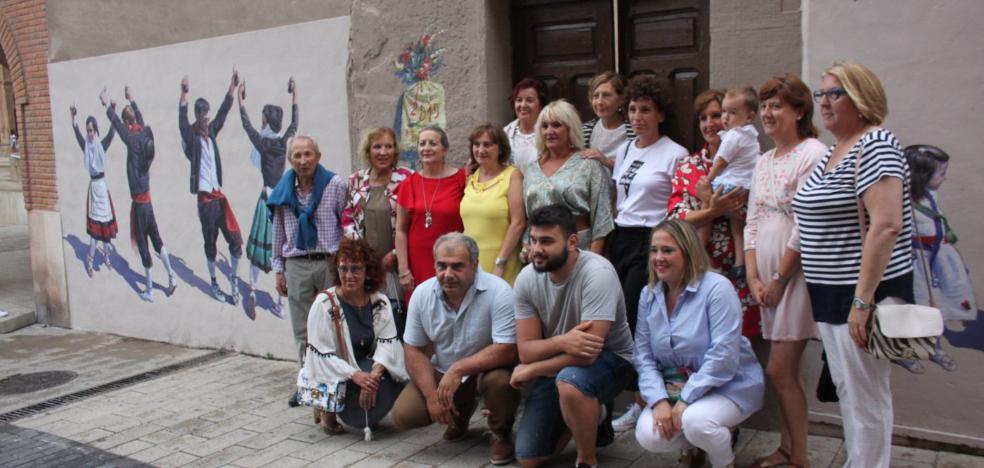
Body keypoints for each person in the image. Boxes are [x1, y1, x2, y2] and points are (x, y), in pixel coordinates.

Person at [791, 60, 913, 468]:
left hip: (860, 295)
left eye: (834, 93)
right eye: (821, 93)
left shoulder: (875, 144)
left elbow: (887, 224)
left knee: (867, 397)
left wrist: (862, 302)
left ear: (861, 100)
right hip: (831, 294)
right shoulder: (834, 150)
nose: (823, 102)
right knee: (849, 391)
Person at [509, 204, 634, 468]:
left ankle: (586, 459)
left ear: (572, 241)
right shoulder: (526, 279)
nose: (536, 249)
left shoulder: (597, 274)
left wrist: (533, 370)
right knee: (530, 458)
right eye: (533, 240)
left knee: (571, 383)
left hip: (611, 360)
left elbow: (588, 355)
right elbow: (525, 351)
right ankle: (592, 414)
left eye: (547, 241)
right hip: (563, 362)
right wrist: (562, 341)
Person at [742, 74, 826, 468]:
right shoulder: (763, 159)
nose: (768, 113)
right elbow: (753, 221)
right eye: (764, 106)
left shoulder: (813, 153)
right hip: (767, 281)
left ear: (799, 111)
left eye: (777, 105)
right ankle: (788, 448)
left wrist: (778, 279)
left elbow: (806, 224)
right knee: (785, 372)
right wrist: (754, 276)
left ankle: (800, 458)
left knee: (779, 370)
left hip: (796, 278)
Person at [634, 219, 764, 468]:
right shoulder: (648, 294)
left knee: (696, 422)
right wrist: (660, 401)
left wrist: (684, 400)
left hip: (728, 385)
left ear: (688, 251)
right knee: (648, 435)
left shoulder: (717, 289)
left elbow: (723, 355)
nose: (658, 257)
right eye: (654, 250)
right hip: (675, 386)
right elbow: (643, 355)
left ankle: (724, 462)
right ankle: (693, 448)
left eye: (667, 250)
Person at [392, 233, 520, 465]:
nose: (448, 274)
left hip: (485, 372)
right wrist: (432, 397)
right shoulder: (422, 294)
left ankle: (501, 434)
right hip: (443, 373)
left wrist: (459, 369)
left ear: (475, 265)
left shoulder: (499, 292)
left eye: (457, 266)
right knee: (404, 415)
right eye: (441, 266)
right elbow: (412, 349)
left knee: (500, 381)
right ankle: (459, 412)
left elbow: (507, 349)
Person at [608, 75, 689, 432]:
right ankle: (629, 398)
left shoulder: (675, 153)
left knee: (638, 318)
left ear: (660, 114)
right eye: (632, 109)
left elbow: (678, 206)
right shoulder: (625, 150)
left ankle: (642, 401)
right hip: (621, 236)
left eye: (645, 110)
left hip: (651, 239)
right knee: (615, 318)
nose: (637, 116)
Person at [667, 90, 760, 339]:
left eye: (716, 115)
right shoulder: (689, 166)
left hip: (740, 271)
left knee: (738, 348)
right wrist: (713, 211)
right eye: (702, 118)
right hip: (701, 271)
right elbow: (676, 217)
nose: (709, 124)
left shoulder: (754, 161)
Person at [297, 238, 407, 434]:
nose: (349, 275)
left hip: (365, 363)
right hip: (337, 370)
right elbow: (320, 355)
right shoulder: (324, 303)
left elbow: (388, 343)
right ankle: (327, 409)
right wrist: (355, 376)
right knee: (359, 413)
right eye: (343, 268)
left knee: (398, 372)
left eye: (356, 269)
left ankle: (366, 411)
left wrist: (372, 377)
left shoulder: (379, 302)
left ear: (367, 271)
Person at [269, 135, 348, 406]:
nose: (303, 161)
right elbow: (277, 230)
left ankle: (338, 382)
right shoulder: (282, 189)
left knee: (333, 325)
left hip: (329, 261)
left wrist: (345, 264)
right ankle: (307, 383)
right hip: (297, 264)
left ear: (318, 156)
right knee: (302, 329)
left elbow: (345, 223)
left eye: (308, 155)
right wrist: (279, 269)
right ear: (290, 160)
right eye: (297, 156)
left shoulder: (334, 185)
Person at [104, 86, 178, 302]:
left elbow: (117, 125)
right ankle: (172, 278)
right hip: (148, 199)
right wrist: (132, 100)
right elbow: (139, 119)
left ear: (128, 123)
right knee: (157, 240)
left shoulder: (131, 138)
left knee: (145, 244)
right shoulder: (144, 131)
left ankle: (149, 290)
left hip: (139, 202)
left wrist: (108, 105)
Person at [906, 144, 974, 371]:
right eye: (941, 173)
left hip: (939, 263)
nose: (944, 178)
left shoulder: (930, 196)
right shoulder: (903, 202)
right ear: (922, 174)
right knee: (915, 308)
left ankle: (933, 347)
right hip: (917, 263)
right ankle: (904, 351)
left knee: (937, 307)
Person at [341, 127, 413, 336]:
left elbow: (412, 223)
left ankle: (398, 363)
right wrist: (364, 255)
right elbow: (347, 219)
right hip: (366, 265)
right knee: (370, 318)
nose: (383, 152)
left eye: (388, 146)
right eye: (377, 147)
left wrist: (395, 255)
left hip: (397, 264)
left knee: (397, 315)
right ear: (368, 151)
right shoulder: (356, 180)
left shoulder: (407, 178)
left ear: (395, 151)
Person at [179, 71, 243, 303]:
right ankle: (215, 283)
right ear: (198, 117)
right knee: (211, 244)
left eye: (208, 118)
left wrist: (232, 87)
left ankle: (234, 281)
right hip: (205, 201)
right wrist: (184, 93)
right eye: (204, 118)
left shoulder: (211, 132)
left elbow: (223, 113)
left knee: (236, 243)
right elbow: (181, 121)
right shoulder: (192, 136)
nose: (207, 121)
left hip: (219, 198)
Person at [238, 77, 298, 319]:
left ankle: (252, 289)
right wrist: (295, 93)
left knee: (256, 247)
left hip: (265, 200)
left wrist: (240, 100)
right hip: (281, 202)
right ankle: (280, 305)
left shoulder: (262, 143)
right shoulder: (284, 143)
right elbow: (295, 122)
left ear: (267, 121)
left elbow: (246, 125)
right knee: (281, 253)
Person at [522, 100, 613, 255]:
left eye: (556, 125)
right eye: (544, 126)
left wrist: (593, 259)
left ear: (570, 128)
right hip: (540, 253)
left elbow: (602, 217)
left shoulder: (588, 164)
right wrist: (527, 248)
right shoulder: (531, 170)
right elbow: (528, 218)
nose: (549, 131)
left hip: (579, 249)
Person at [395, 126, 465, 299]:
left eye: (433, 143)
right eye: (422, 143)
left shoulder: (462, 179)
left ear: (445, 150)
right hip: (418, 263)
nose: (426, 148)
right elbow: (401, 230)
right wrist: (403, 269)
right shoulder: (408, 184)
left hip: (452, 260)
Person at [701, 86, 760, 276]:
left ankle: (699, 250)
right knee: (737, 226)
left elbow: (720, 162)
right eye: (724, 111)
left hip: (730, 184)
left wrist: (708, 180)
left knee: (707, 208)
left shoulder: (734, 136)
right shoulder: (751, 136)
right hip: (745, 186)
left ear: (749, 117)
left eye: (732, 113)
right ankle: (740, 263)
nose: (726, 117)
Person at [461, 123, 525, 285]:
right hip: (471, 264)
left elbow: (518, 223)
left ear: (500, 148)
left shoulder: (513, 176)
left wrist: (500, 263)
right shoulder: (471, 177)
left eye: (487, 145)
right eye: (477, 144)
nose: (480, 150)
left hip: (502, 263)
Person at [71, 99, 118, 278]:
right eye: (88, 131)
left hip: (102, 188)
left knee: (105, 226)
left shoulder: (100, 145)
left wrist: (113, 110)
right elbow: (77, 136)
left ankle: (106, 257)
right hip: (94, 191)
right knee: (94, 233)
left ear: (96, 130)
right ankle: (90, 261)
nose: (90, 134)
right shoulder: (87, 146)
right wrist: (73, 119)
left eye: (92, 130)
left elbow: (112, 133)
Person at [581, 71, 636, 168]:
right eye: (596, 96)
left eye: (606, 95)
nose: (599, 102)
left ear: (621, 100)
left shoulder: (634, 131)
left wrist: (606, 162)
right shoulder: (585, 130)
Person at [504, 78, 548, 169]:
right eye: (519, 100)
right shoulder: (505, 133)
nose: (523, 105)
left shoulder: (549, 131)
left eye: (530, 100)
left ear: (540, 104)